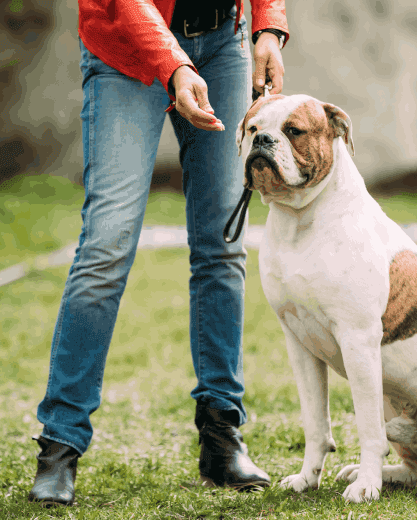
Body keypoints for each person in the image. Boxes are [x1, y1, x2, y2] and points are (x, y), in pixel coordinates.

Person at [28, 0, 288, 507]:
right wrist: (173, 65)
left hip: (221, 43)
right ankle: (60, 443)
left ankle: (221, 434)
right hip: (126, 52)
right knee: (106, 246)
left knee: (222, 247)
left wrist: (269, 27)